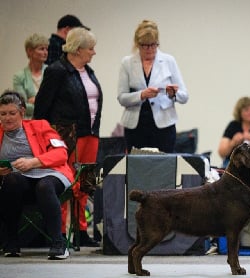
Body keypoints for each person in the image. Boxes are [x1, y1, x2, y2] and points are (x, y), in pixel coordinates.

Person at [34, 27, 102, 247]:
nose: (94, 52)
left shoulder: (88, 71)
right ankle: (60, 231)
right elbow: (41, 109)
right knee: (65, 183)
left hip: (90, 134)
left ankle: (81, 230)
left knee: (84, 184)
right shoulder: (57, 71)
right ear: (78, 49)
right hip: (67, 136)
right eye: (90, 48)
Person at [0, 91, 74, 259]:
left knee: (44, 186)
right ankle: (11, 241)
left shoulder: (40, 126)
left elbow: (61, 154)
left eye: (12, 113)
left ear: (22, 112)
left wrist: (33, 162)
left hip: (50, 173)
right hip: (19, 181)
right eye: (3, 114)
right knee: (10, 180)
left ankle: (58, 243)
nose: (7, 118)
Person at [117, 19, 189, 153]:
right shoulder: (127, 63)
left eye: (153, 45)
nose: (150, 49)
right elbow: (122, 98)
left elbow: (184, 96)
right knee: (137, 166)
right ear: (137, 44)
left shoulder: (168, 61)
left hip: (163, 126)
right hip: (135, 126)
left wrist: (173, 93)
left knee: (164, 167)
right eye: (145, 45)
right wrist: (141, 95)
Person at [13, 33, 49, 119]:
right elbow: (21, 106)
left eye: (46, 49)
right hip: (29, 121)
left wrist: (36, 99)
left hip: (49, 121)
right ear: (30, 51)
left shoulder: (51, 72)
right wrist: (43, 103)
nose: (45, 52)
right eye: (41, 49)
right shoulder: (19, 76)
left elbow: (56, 102)